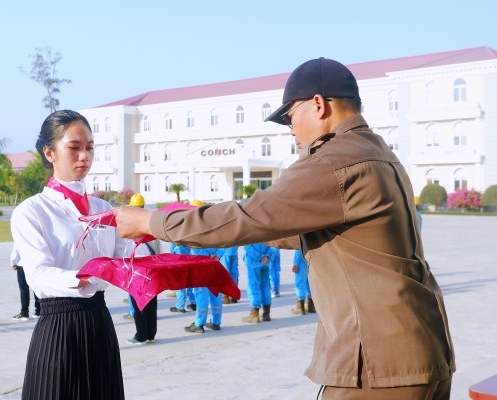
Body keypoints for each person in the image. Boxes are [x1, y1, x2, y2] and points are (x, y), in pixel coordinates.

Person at [113, 58, 455, 399]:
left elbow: (247, 216)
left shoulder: (333, 160)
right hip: (418, 349)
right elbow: (324, 229)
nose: (290, 130)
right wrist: (261, 229)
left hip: (380, 363)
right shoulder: (377, 152)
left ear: (318, 105)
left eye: (290, 117)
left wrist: (151, 221)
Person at [11, 110, 134, 400]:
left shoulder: (104, 210)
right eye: (74, 147)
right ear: (49, 152)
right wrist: (86, 276)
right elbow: (38, 277)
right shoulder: (32, 211)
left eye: (89, 147)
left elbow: (124, 260)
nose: (84, 156)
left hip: (99, 323)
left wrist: (146, 236)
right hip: (58, 328)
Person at [126, 193, 159, 345]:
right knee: (151, 303)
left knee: (139, 304)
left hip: (138, 271)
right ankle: (151, 333)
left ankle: (141, 336)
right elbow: (158, 250)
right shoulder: (152, 224)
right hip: (152, 270)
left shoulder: (130, 227)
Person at [184, 247, 223, 333]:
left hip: (201, 264)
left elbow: (195, 246)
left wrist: (208, 255)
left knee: (201, 293)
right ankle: (216, 322)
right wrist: (217, 255)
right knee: (215, 293)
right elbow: (226, 242)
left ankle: (199, 324)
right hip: (215, 263)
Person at [242, 243, 272, 323]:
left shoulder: (249, 231)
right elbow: (272, 245)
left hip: (254, 263)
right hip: (265, 263)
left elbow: (247, 246)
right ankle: (266, 313)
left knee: (254, 287)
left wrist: (260, 257)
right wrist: (266, 257)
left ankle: (254, 315)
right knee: (265, 287)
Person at [10, 246, 41, 320]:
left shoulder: (20, 234)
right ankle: (39, 310)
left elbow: (16, 249)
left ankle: (24, 312)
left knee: (24, 288)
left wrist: (13, 262)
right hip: (35, 263)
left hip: (22, 264)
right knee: (35, 286)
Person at [168, 243, 196, 313]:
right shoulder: (189, 237)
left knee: (180, 286)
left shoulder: (175, 239)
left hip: (179, 263)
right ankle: (194, 304)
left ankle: (180, 306)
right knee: (191, 284)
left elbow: (172, 250)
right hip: (191, 262)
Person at [290, 249, 314, 316]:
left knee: (300, 284)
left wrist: (295, 264)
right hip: (309, 262)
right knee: (310, 284)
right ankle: (311, 306)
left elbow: (298, 249)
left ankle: (300, 308)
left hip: (301, 264)